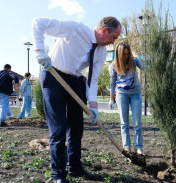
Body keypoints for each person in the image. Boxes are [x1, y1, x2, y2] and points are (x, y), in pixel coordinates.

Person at [32, 17, 121, 182]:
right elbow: (38, 23)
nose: (112, 43)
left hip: (73, 80)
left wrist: (93, 106)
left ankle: (74, 167)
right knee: (58, 129)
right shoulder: (76, 29)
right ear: (104, 31)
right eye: (113, 38)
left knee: (76, 127)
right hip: (53, 75)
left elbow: (93, 79)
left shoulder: (100, 51)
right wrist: (39, 51)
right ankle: (58, 175)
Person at [109, 41, 143, 155]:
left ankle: (139, 148)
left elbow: (144, 67)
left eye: (128, 53)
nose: (126, 56)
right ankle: (127, 147)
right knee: (124, 122)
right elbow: (112, 83)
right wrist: (111, 98)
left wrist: (140, 59)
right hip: (121, 94)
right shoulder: (113, 66)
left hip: (136, 94)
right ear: (118, 54)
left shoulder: (134, 61)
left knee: (137, 122)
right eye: (124, 54)